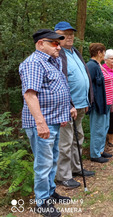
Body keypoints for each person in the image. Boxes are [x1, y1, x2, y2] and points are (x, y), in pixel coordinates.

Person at [19, 29, 73, 216]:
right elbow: (30, 94)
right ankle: (42, 203)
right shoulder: (34, 63)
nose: (59, 46)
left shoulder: (54, 61)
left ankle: (50, 192)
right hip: (42, 123)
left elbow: (60, 88)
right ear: (41, 43)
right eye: (54, 43)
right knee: (43, 163)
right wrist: (40, 123)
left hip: (55, 120)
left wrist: (66, 110)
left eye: (59, 43)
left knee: (53, 159)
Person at [54, 21, 95, 189]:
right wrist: (68, 103)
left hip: (80, 104)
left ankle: (76, 168)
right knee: (65, 142)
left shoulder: (74, 52)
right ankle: (63, 176)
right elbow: (60, 81)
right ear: (57, 35)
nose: (69, 36)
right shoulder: (57, 54)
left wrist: (87, 99)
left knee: (78, 137)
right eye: (65, 34)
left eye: (71, 33)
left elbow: (84, 76)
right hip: (66, 106)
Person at [86, 43, 113, 163]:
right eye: (104, 52)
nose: (104, 54)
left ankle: (101, 150)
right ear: (99, 53)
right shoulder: (91, 66)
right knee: (98, 128)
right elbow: (88, 84)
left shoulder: (99, 65)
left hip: (105, 102)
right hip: (98, 103)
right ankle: (95, 153)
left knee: (104, 127)